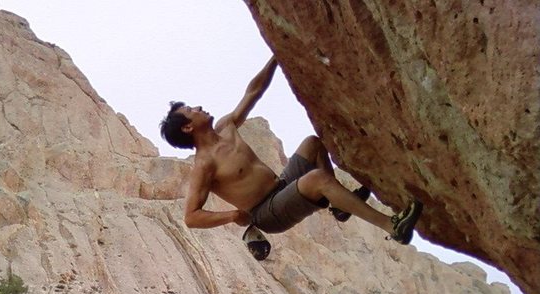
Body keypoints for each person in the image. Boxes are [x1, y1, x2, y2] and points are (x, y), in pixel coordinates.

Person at [159, 54, 423, 260]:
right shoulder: (204, 165)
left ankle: (340, 207)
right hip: (266, 213)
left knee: (313, 144)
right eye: (191, 110)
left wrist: (276, 57)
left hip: (282, 186)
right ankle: (392, 227)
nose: (199, 107)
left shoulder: (226, 128)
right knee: (317, 179)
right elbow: (191, 217)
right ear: (187, 127)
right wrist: (232, 216)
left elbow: (252, 92)